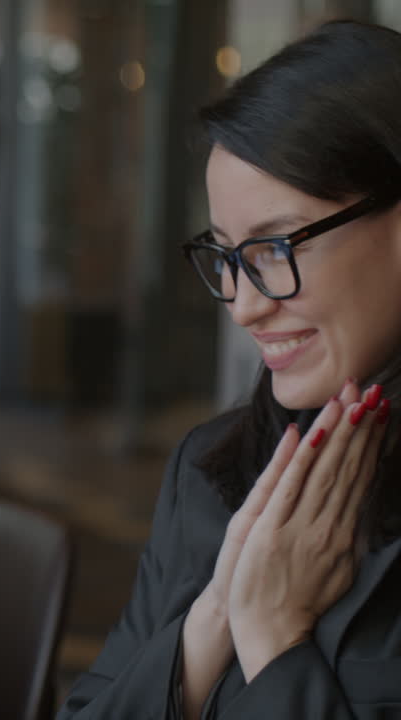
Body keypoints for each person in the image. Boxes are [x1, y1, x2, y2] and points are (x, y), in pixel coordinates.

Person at [60, 21, 401, 718]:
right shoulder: (210, 472)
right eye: (225, 255)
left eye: (274, 248)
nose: (243, 307)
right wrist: (214, 615)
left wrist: (274, 636)